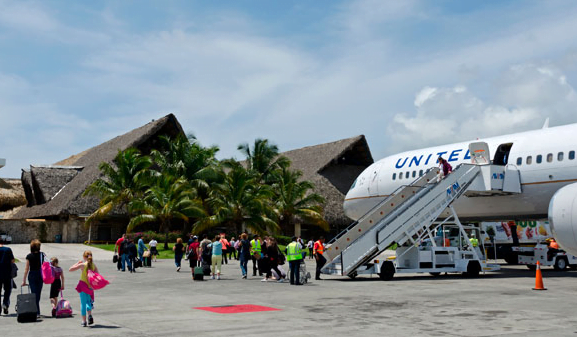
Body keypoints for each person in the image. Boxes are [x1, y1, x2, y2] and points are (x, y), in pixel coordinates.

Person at [69, 251, 98, 327]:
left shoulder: (83, 265)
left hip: (82, 285)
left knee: (83, 303)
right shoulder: (93, 265)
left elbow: (70, 269)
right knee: (88, 302)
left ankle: (84, 321)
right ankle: (90, 315)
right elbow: (97, 274)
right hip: (90, 286)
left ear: (84, 257)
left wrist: (77, 263)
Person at [21, 239, 44, 316]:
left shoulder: (29, 256)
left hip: (32, 275)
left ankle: (36, 311)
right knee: (38, 294)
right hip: (40, 275)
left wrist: (24, 280)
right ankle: (36, 311)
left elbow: (26, 269)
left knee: (34, 293)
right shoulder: (42, 255)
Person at [0, 236, 15, 315]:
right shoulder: (7, 250)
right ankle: (5, 303)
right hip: (7, 273)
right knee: (8, 289)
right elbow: (12, 260)